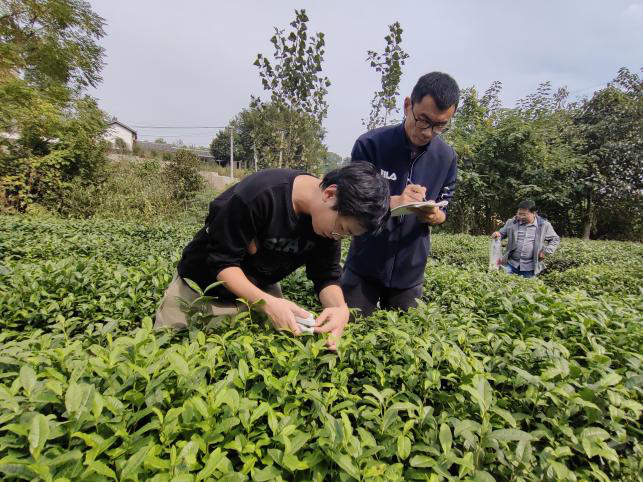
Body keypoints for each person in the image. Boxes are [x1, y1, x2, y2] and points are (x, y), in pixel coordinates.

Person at [154, 163, 390, 350]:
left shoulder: (327, 229)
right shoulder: (260, 195)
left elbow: (325, 275)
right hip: (198, 288)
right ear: (330, 194)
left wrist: (340, 309)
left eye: (347, 235)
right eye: (342, 228)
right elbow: (222, 262)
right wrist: (268, 304)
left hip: (257, 291)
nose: (338, 236)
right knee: (165, 353)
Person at [341, 72, 459, 316]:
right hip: (364, 267)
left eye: (440, 126)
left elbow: (445, 208)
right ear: (408, 106)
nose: (428, 132)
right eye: (423, 120)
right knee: (351, 338)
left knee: (406, 345)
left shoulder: (446, 158)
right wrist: (395, 200)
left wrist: (435, 215)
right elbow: (351, 201)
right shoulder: (371, 144)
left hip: (410, 272)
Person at [491, 200, 560, 278]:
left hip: (530, 267)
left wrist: (545, 252)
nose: (520, 217)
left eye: (524, 215)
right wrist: (497, 234)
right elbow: (502, 233)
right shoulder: (512, 222)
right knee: (505, 286)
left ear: (533, 213)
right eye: (519, 214)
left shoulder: (544, 225)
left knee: (528, 289)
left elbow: (555, 239)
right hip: (510, 264)